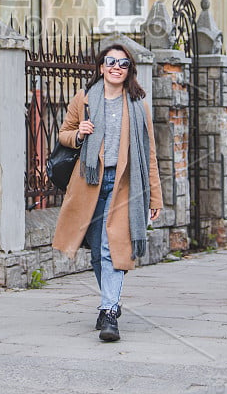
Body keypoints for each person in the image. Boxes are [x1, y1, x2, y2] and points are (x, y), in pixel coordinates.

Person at [52, 43, 163, 342]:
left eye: (123, 63)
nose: (116, 67)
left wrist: (155, 197)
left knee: (111, 249)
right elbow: (63, 134)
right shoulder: (84, 99)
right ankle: (109, 303)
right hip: (90, 185)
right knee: (98, 255)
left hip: (125, 185)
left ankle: (109, 312)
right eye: (110, 61)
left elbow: (149, 154)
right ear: (101, 66)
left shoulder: (139, 105)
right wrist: (79, 134)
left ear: (129, 71)